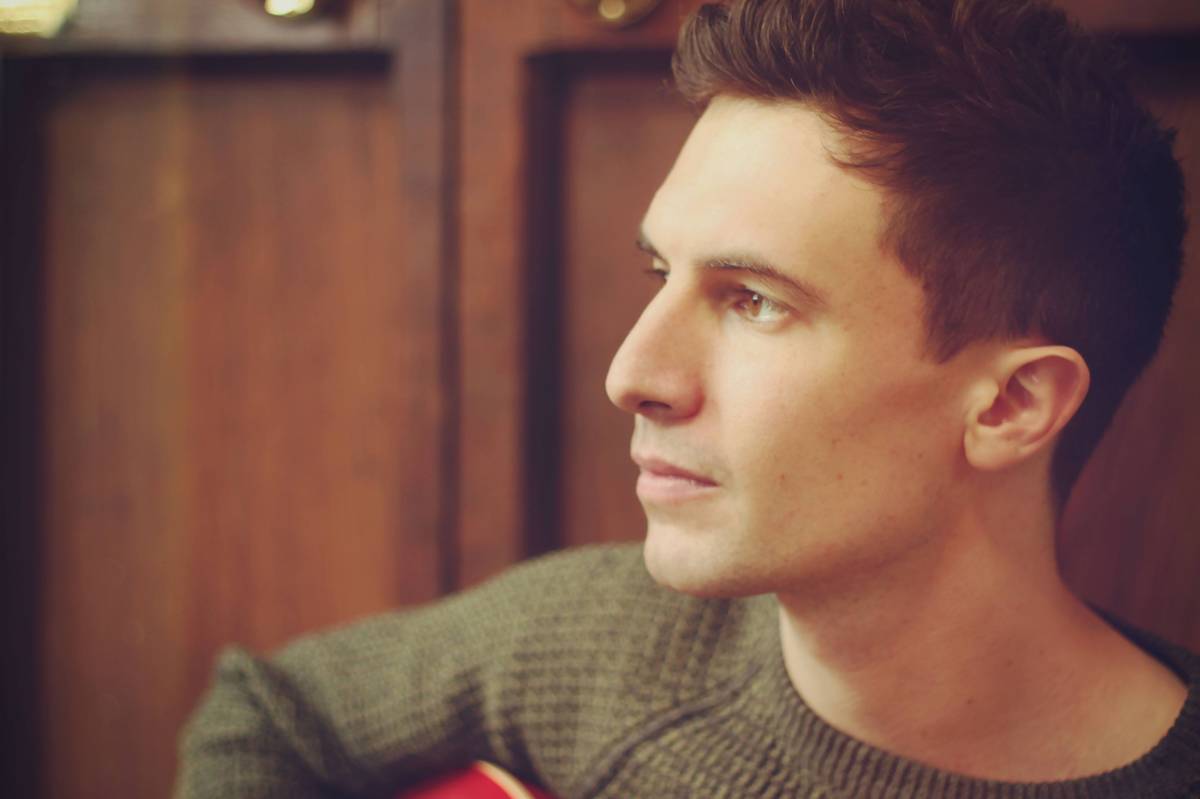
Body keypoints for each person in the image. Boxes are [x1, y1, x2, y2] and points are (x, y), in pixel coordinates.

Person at [175, 0, 1200, 797]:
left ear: (1012, 405)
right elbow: (267, 710)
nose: (631, 374)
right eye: (659, 273)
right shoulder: (602, 643)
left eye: (753, 300)